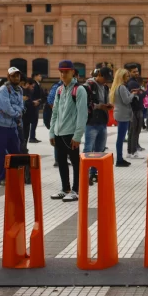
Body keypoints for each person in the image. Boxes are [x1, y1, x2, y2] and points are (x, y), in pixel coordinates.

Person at [49, 60, 88, 202]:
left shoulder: (79, 90)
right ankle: (65, 188)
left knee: (75, 161)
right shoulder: (60, 90)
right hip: (59, 132)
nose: (63, 74)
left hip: (71, 133)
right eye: (61, 71)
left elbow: (82, 114)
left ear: (73, 72)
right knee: (61, 161)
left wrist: (77, 135)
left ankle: (76, 189)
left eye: (66, 71)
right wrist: (52, 132)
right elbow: (55, 113)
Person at [0, 68, 24, 186]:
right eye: (13, 76)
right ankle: (1, 177)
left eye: (18, 76)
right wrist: (17, 113)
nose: (16, 78)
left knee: (15, 151)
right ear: (8, 77)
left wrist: (15, 110)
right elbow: (6, 107)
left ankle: (14, 175)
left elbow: (21, 105)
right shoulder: (3, 89)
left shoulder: (19, 90)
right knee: (1, 152)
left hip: (13, 126)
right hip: (1, 125)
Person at [83, 67, 113, 182]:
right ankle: (85, 173)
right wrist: (99, 106)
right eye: (104, 78)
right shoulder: (89, 85)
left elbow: (105, 100)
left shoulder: (105, 87)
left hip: (102, 120)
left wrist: (107, 105)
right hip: (91, 121)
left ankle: (94, 173)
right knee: (88, 148)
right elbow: (85, 103)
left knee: (100, 149)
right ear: (99, 75)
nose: (106, 81)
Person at [110, 68, 139, 167]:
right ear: (122, 77)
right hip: (123, 115)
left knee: (120, 137)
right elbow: (126, 101)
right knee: (121, 138)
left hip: (120, 113)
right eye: (126, 76)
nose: (128, 78)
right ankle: (119, 159)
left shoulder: (116, 87)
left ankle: (120, 158)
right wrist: (133, 94)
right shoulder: (121, 87)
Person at [126, 64, 145, 158]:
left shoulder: (133, 82)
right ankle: (133, 152)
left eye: (137, 71)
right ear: (129, 72)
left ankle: (130, 151)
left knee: (132, 131)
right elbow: (136, 96)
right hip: (135, 110)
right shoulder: (132, 83)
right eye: (134, 72)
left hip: (134, 109)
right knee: (135, 131)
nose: (136, 73)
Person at [28, 72, 43, 143]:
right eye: (39, 75)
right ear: (35, 76)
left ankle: (32, 136)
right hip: (34, 104)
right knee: (34, 121)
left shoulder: (37, 84)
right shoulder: (33, 84)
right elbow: (32, 94)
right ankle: (31, 137)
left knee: (35, 122)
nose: (41, 77)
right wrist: (34, 101)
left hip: (36, 103)